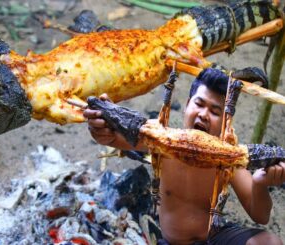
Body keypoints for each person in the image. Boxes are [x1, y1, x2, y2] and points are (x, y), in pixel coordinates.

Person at [83, 68, 285, 245]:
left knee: (270, 242)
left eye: (215, 111)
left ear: (225, 123)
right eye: (199, 104)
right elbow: (112, 137)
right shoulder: (160, 140)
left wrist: (260, 184)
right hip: (171, 241)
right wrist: (100, 124)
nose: (204, 114)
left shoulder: (228, 159)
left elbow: (261, 215)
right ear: (188, 105)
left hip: (213, 238)